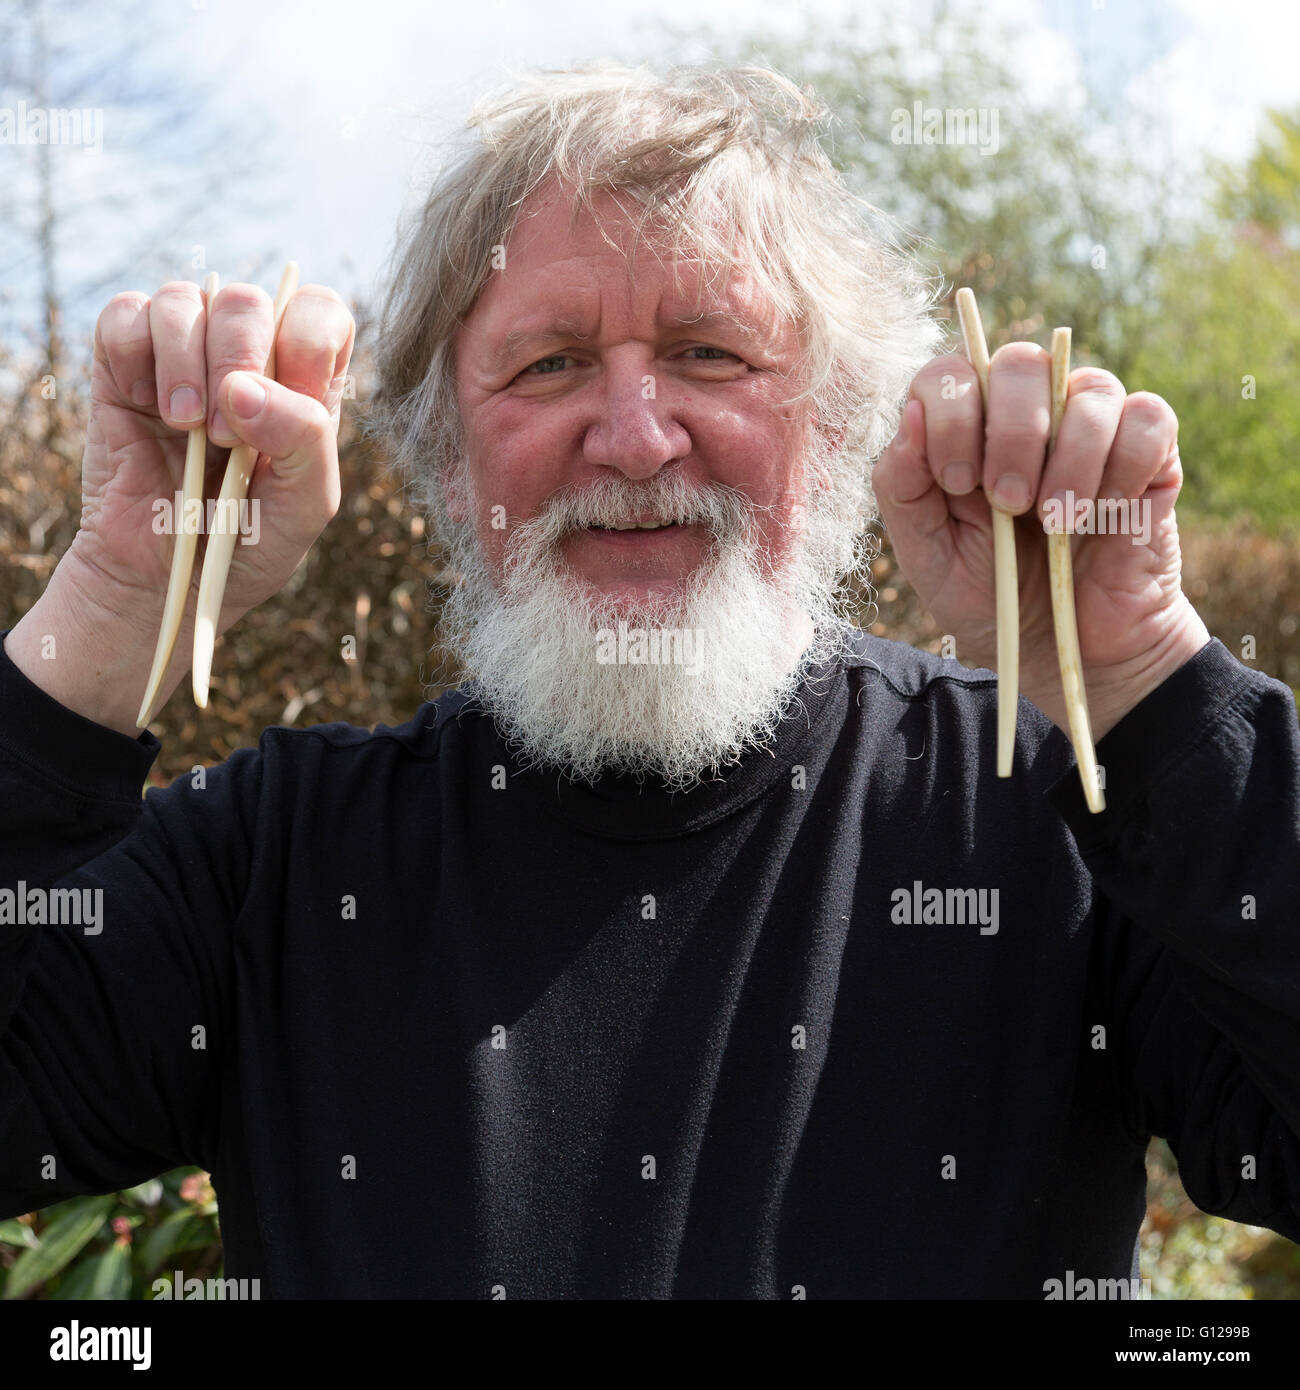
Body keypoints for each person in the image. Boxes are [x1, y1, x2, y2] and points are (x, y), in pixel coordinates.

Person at [1, 62, 1296, 1300]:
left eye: (711, 353)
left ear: (836, 426)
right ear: (448, 460)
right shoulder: (274, 867)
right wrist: (115, 599)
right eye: (549, 363)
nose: (633, 439)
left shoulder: (1045, 811)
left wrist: (1143, 674)